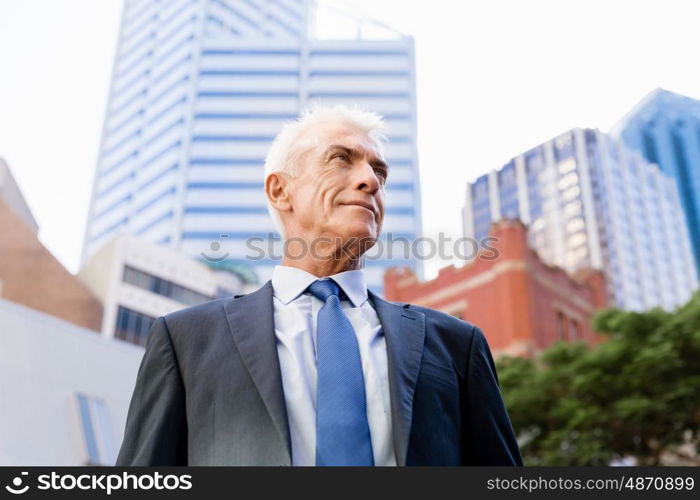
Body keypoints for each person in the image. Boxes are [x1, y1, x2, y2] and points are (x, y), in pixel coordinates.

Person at [116, 106, 523, 466]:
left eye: (379, 171)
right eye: (340, 160)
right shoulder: (186, 339)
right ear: (280, 190)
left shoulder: (456, 343)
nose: (370, 181)